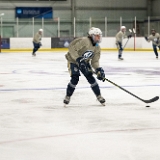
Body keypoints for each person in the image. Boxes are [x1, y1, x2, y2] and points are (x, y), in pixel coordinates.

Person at [63, 27, 106, 106]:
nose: (98, 38)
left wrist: (98, 69)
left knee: (90, 77)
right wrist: (78, 59)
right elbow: (72, 48)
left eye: (99, 36)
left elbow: (94, 61)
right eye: (97, 36)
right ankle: (68, 96)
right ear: (91, 36)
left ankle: (99, 96)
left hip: (84, 62)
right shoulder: (85, 41)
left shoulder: (97, 48)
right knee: (75, 77)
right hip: (73, 60)